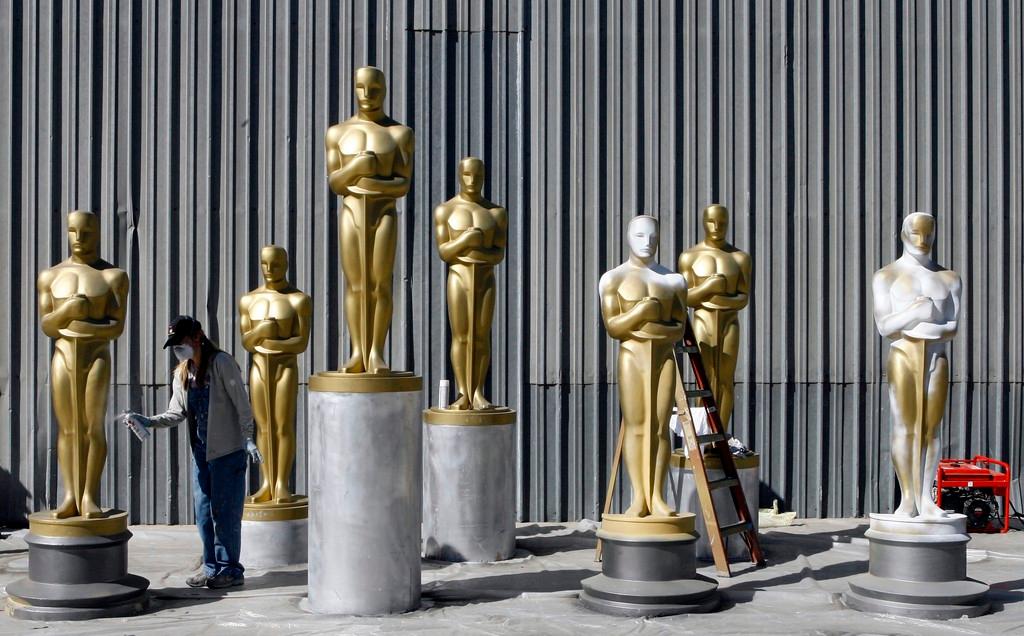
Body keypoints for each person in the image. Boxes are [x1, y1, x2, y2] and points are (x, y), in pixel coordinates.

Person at [120, 316, 262, 589]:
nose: (178, 348)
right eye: (173, 344)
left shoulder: (222, 363)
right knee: (204, 514)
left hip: (227, 451)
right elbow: (177, 412)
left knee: (226, 513)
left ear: (197, 337)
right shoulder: (183, 372)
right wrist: (148, 420)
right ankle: (211, 568)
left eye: (181, 342)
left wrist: (247, 438)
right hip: (202, 455)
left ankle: (230, 569)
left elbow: (241, 404)